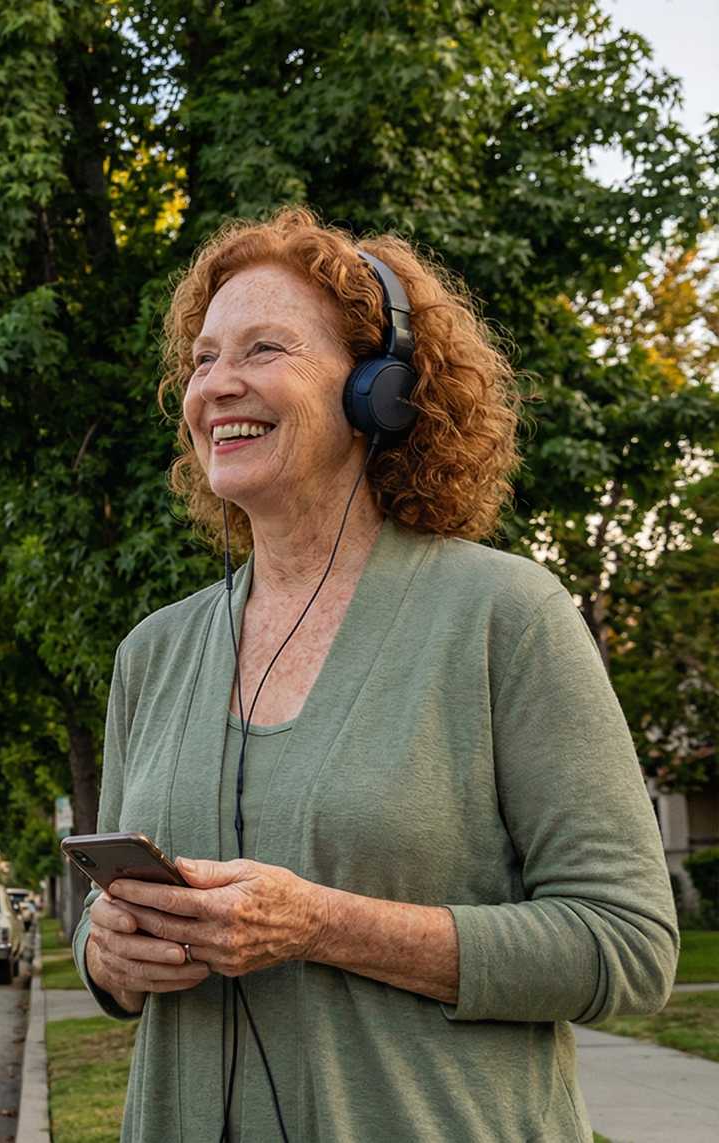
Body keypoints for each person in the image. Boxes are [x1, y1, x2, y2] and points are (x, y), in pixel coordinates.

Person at [71, 207, 677, 1141]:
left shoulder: (505, 617)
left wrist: (322, 924)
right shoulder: (149, 655)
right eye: (201, 360)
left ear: (379, 390)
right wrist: (106, 956)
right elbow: (103, 931)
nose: (217, 386)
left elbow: (626, 946)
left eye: (264, 348)